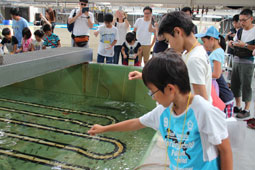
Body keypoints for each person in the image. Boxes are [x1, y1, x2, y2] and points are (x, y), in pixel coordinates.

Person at [88, 49, 233, 170]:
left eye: (152, 92)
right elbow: (136, 123)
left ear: (170, 89)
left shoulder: (203, 111)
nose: (152, 97)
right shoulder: (163, 112)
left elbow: (225, 151)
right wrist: (104, 129)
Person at [196, 26, 234, 118]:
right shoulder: (215, 52)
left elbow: (217, 74)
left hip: (225, 99)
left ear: (212, 39)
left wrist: (201, 74)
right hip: (221, 96)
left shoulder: (217, 52)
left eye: (204, 42)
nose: (204, 45)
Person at [228, 9, 255, 118]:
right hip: (236, 59)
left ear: (251, 19)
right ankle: (238, 106)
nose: (242, 23)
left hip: (248, 61)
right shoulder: (239, 31)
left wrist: (244, 45)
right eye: (240, 20)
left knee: (246, 85)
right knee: (235, 84)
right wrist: (231, 43)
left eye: (244, 20)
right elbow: (235, 42)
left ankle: (246, 109)